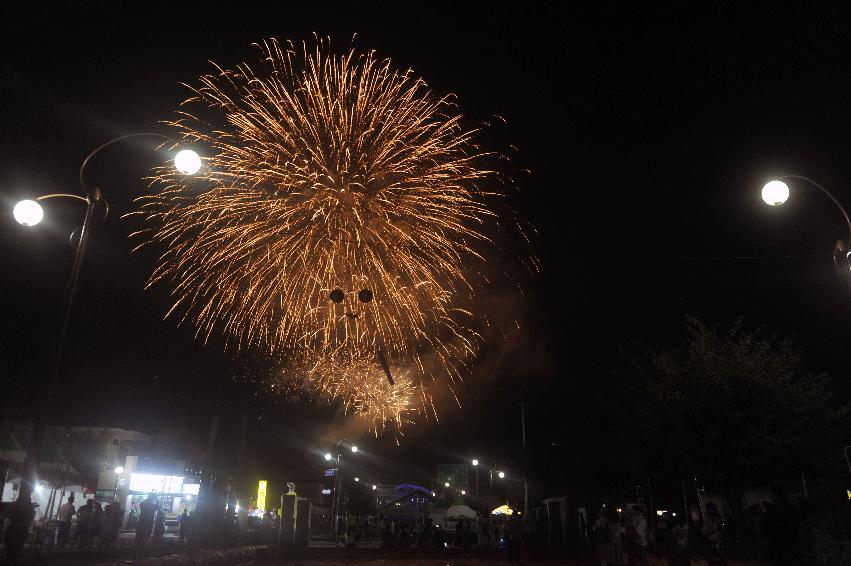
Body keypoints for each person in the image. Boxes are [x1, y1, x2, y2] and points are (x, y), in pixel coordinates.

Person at [702, 502, 726, 566]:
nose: (712, 511)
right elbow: (705, 531)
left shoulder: (717, 516)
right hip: (712, 542)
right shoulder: (706, 517)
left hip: (719, 541)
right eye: (710, 509)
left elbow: (721, 527)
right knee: (714, 559)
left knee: (721, 559)